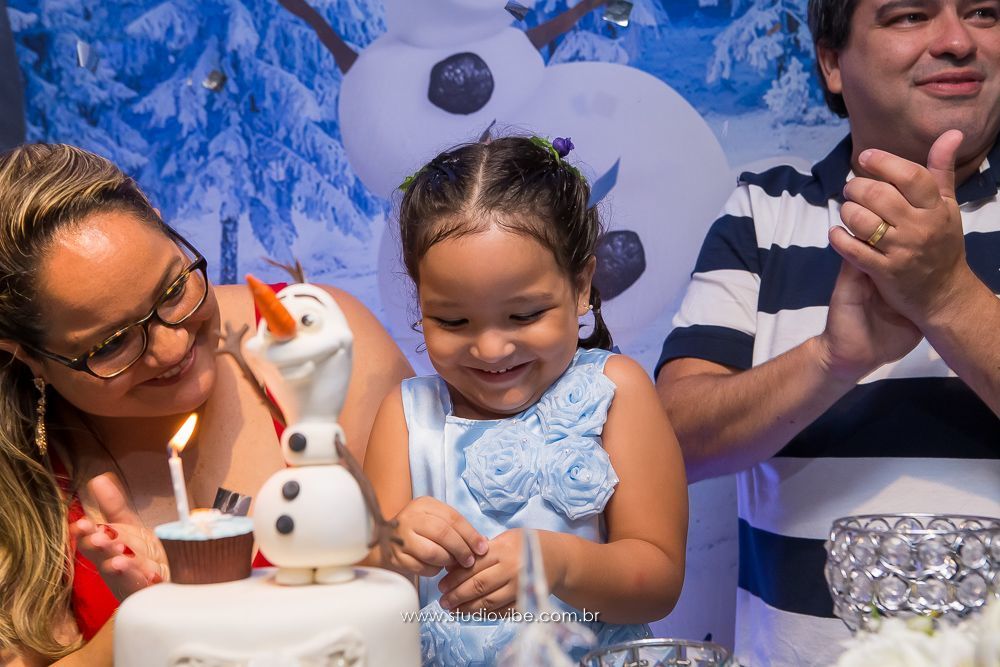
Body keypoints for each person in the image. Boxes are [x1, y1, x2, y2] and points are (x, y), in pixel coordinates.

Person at [656, 1, 1000, 664]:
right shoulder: (762, 212)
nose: (958, 40)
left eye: (984, 12)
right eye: (911, 15)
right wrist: (828, 361)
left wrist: (947, 297)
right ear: (832, 61)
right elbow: (670, 444)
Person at [0, 143, 413, 666]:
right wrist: (142, 629)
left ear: (161, 222)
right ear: (28, 356)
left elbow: (419, 607)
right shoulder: (18, 478)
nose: (173, 347)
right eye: (112, 343)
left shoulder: (319, 345)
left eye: (174, 288)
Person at [362, 135, 689, 665]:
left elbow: (659, 581)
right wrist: (391, 546)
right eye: (453, 320)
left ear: (580, 286)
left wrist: (558, 562)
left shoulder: (616, 392)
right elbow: (363, 584)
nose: (491, 349)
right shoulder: (406, 418)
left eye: (525, 315)